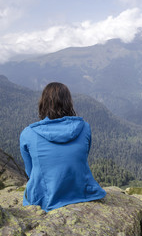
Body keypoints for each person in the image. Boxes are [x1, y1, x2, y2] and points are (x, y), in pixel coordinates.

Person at [20, 82, 106, 212]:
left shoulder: (28, 133)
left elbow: (30, 170)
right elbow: (81, 158)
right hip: (81, 192)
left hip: (45, 199)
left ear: (43, 103)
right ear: (68, 102)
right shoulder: (84, 127)